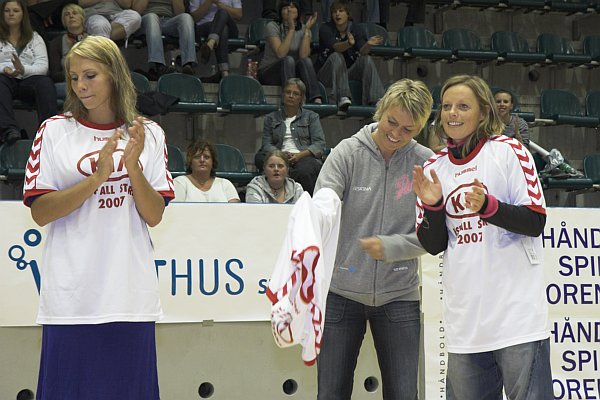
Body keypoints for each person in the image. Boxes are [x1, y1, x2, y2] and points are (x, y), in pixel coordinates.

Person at [22, 35, 174, 399]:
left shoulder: (149, 134)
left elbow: (153, 215)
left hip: (129, 297)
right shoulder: (55, 131)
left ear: (115, 75)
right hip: (71, 299)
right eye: (74, 78)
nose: (81, 86)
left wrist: (132, 167)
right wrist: (97, 178)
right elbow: (41, 212)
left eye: (90, 75)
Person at [413, 74, 552, 400]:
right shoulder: (434, 168)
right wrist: (433, 205)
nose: (452, 114)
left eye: (463, 106)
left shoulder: (509, 151)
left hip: (517, 321)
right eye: (447, 106)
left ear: (483, 112)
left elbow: (535, 220)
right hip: (465, 327)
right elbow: (433, 245)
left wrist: (489, 207)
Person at [314, 78, 434, 400]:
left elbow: (436, 234)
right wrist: (323, 206)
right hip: (341, 294)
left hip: (400, 296)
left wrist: (394, 247)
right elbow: (323, 202)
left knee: (403, 393)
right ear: (380, 110)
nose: (396, 133)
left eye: (407, 130)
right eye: (391, 121)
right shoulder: (347, 153)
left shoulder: (425, 163)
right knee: (331, 393)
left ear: (419, 128)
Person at [0, 0, 57, 145]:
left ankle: (48, 132)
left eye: (16, 10)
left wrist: (23, 70)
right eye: (7, 11)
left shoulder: (35, 37)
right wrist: (5, 69)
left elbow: (43, 66)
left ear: (23, 14)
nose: (11, 14)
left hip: (28, 80)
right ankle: (9, 130)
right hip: (5, 79)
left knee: (45, 83)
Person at [255, 78, 325, 195]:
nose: (291, 96)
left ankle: (304, 201)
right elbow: (266, 144)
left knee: (307, 168)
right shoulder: (271, 118)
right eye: (288, 92)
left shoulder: (311, 117)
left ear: (301, 98)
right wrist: (280, 156)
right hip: (278, 154)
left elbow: (319, 144)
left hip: (302, 157)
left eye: (295, 93)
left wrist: (299, 156)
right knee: (260, 158)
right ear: (283, 95)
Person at [316, 0, 385, 111]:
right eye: (334, 12)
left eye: (341, 11)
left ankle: (376, 100)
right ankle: (343, 96)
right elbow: (336, 47)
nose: (337, 14)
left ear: (348, 14)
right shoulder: (326, 28)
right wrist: (348, 43)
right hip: (327, 73)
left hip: (347, 72)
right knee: (337, 56)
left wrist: (368, 44)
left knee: (366, 59)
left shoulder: (356, 29)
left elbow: (363, 51)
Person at [258, 0, 322, 104]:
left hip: (291, 73)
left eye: (292, 7)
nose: (289, 10)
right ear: (280, 13)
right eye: (285, 8)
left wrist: (307, 30)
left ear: (298, 11)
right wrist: (291, 29)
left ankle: (315, 98)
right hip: (269, 72)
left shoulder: (303, 28)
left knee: (306, 61)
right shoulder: (272, 26)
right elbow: (281, 54)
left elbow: (303, 56)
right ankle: (289, 97)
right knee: (288, 60)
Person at [132, 0, 197, 79]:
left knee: (186, 17)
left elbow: (180, 13)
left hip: (168, 21)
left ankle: (188, 64)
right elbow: (137, 10)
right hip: (146, 20)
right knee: (152, 17)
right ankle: (159, 66)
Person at [174, 140, 240, 202]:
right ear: (190, 162)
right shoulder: (180, 182)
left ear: (212, 162)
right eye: (197, 157)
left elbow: (235, 211)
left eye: (206, 157)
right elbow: (175, 211)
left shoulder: (225, 184)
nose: (202, 160)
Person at [189, 0, 242, 79]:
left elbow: (239, 15)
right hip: (205, 27)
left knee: (222, 12)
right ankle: (224, 73)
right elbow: (194, 17)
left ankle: (211, 42)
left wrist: (221, 6)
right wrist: (209, 2)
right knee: (223, 29)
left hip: (230, 28)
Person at [48, 3, 88, 99]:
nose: (71, 16)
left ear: (82, 18)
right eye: (67, 14)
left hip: (90, 82)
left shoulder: (93, 41)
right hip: (67, 84)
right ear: (64, 21)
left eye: (75, 13)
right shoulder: (56, 43)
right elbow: (55, 75)